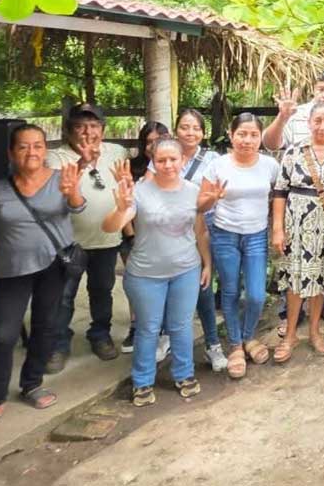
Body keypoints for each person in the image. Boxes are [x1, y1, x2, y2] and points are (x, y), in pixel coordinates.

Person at [0, 125, 84, 442]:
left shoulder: (61, 179)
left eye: (38, 146)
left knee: (45, 327)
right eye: (23, 147)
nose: (32, 152)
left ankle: (32, 383)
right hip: (11, 271)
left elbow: (78, 207)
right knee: (2, 336)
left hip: (53, 267)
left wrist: (72, 192)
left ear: (46, 149)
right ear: (11, 153)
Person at [102, 137, 209, 407]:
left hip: (186, 269)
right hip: (145, 274)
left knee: (181, 325)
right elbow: (111, 227)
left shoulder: (193, 191)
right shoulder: (139, 191)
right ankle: (142, 381)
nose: (168, 165)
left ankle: (184, 374)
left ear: (183, 161)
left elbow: (199, 231)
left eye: (174, 159)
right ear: (153, 162)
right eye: (161, 160)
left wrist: (207, 263)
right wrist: (121, 208)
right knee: (148, 328)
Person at [265, 70, 324, 324]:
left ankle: (318, 322)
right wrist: (282, 116)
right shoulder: (295, 140)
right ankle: (292, 317)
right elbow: (279, 182)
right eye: (322, 89)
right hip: (298, 219)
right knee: (296, 270)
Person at [46, 103, 129, 371]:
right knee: (63, 296)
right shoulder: (55, 157)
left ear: (103, 130)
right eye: (80, 126)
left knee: (102, 291)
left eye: (93, 126)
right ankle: (58, 344)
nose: (87, 132)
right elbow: (57, 192)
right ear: (69, 131)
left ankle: (100, 335)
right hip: (68, 243)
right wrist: (83, 162)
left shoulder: (116, 152)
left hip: (106, 240)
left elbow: (124, 185)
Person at [197, 113, 279, 379]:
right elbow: (199, 206)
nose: (247, 140)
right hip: (224, 235)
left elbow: (279, 199)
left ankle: (246, 337)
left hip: (256, 236)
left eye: (254, 134)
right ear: (231, 136)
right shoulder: (218, 166)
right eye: (241, 134)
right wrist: (212, 198)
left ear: (260, 137)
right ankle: (235, 346)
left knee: (256, 294)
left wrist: (279, 228)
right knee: (230, 292)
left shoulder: (270, 165)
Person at [169, 109, 226, 372]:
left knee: (203, 286)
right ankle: (165, 337)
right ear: (175, 129)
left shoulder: (213, 159)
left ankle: (212, 343)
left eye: (195, 128)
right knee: (167, 286)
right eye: (184, 127)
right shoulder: (166, 155)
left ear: (203, 133)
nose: (190, 133)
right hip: (169, 232)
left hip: (203, 228)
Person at [120, 120, 169, 360]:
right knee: (136, 284)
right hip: (135, 236)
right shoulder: (134, 168)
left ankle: (162, 329)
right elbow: (124, 202)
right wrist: (131, 236)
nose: (153, 145)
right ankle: (135, 326)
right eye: (149, 142)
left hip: (163, 238)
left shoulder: (172, 166)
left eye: (159, 140)